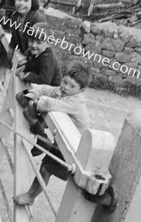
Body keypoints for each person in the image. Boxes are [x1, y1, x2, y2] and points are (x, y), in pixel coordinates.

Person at [14, 60, 91, 206]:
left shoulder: (76, 102)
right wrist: (31, 93)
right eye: (64, 81)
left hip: (74, 147)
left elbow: (50, 103)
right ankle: (42, 137)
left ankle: (30, 196)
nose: (65, 87)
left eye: (72, 86)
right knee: (45, 167)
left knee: (46, 170)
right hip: (62, 139)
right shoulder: (63, 92)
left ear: (80, 90)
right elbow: (46, 89)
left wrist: (33, 100)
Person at [15, 22, 61, 135]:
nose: (33, 45)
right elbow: (30, 62)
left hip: (51, 93)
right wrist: (24, 66)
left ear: (48, 43)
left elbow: (44, 79)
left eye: (38, 42)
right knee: (20, 96)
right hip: (42, 90)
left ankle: (40, 130)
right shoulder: (35, 52)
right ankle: (36, 122)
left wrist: (25, 76)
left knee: (29, 106)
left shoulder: (47, 58)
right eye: (31, 40)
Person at [7, 0, 46, 66]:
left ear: (33, 2)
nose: (21, 3)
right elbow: (15, 35)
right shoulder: (15, 16)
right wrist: (11, 47)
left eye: (26, 0)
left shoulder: (37, 18)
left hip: (38, 60)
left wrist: (28, 60)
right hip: (23, 55)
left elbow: (40, 44)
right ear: (14, 0)